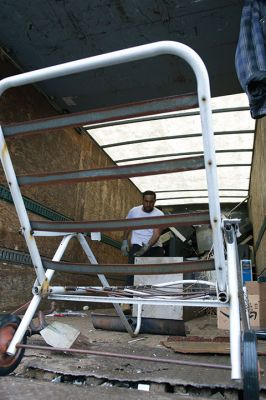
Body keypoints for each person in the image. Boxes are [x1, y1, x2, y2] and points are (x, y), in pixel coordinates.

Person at [121, 191, 165, 272]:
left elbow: (156, 234)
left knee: (155, 275)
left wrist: (145, 248)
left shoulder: (159, 214)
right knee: (132, 274)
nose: (148, 204)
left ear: (155, 201)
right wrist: (124, 241)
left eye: (151, 202)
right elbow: (128, 225)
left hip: (154, 248)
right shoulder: (134, 211)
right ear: (142, 200)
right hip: (137, 246)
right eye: (146, 201)